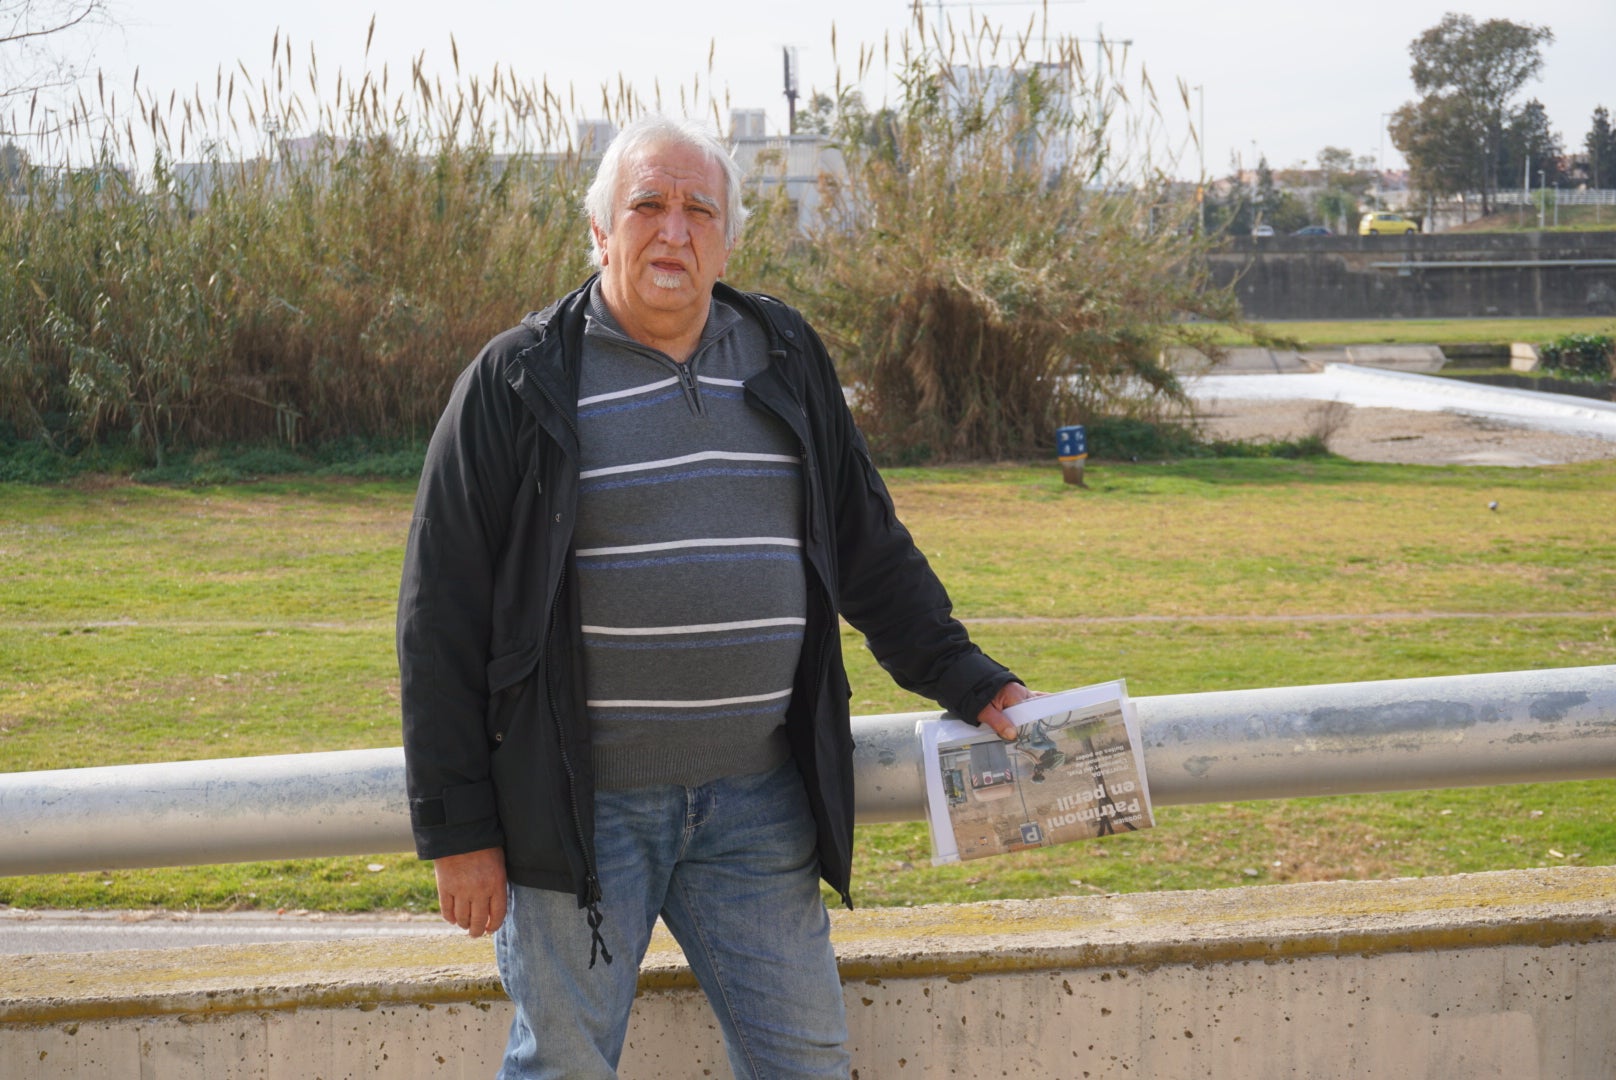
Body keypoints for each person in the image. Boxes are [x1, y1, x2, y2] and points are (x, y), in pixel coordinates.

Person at [397, 113, 1031, 1080]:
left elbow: (867, 544)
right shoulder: (517, 380)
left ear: (727, 239)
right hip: (578, 816)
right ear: (600, 233)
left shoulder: (782, 353)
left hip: (757, 807)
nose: (674, 230)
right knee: (561, 1070)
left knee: (808, 1065)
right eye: (645, 206)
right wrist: (459, 830)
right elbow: (438, 611)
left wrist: (970, 679)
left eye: (700, 209)